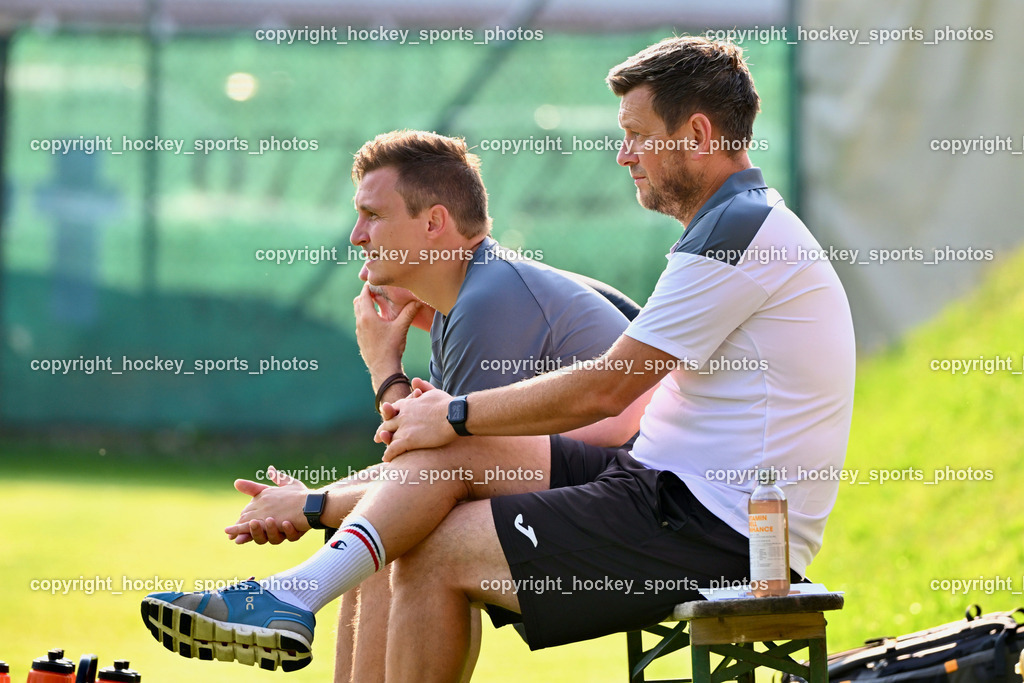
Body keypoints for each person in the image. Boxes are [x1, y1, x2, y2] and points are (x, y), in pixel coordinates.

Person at [141, 36, 856, 682]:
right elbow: (440, 446)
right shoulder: (733, 224)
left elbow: (604, 391)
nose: (624, 154)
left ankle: (292, 593)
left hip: (718, 526)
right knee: (436, 474)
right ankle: (291, 595)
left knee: (429, 546)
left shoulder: (737, 231)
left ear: (697, 134)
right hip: (660, 485)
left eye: (637, 136)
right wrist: (439, 419)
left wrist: (443, 413)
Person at [140, 129, 647, 676]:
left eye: (373, 216)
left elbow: (443, 469)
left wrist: (379, 379)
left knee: (407, 534)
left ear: (433, 223)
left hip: (641, 512)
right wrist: (319, 498)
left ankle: (290, 595)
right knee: (386, 539)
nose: (357, 238)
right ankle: (290, 598)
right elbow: (425, 468)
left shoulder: (489, 299)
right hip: (603, 491)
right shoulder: (474, 296)